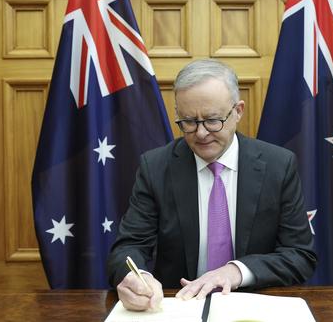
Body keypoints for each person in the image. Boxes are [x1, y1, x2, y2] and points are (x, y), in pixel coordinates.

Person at [108, 59, 316, 311]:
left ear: (238, 111)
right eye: (188, 122)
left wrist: (236, 272)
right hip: (179, 307)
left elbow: (300, 255)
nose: (201, 133)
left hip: (255, 305)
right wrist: (135, 276)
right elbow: (130, 246)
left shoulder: (278, 165)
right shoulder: (156, 167)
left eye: (212, 120)